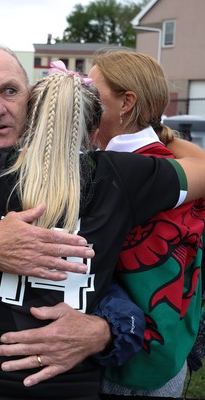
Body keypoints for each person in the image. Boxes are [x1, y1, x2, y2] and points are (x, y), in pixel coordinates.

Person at [0, 61, 205, 399]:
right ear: (95, 131)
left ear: (29, 121)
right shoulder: (125, 176)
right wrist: (163, 136)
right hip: (69, 384)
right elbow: (200, 167)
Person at [88, 50, 205, 397]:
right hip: (171, 354)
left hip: (126, 366)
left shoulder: (117, 172)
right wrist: (163, 133)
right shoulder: (180, 168)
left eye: (92, 93)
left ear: (126, 102)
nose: (83, 101)